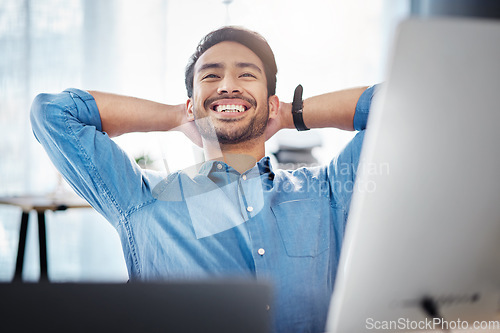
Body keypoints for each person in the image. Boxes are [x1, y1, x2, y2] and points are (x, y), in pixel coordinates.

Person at [31, 26, 376, 333]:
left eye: (246, 75)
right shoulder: (142, 200)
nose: (227, 86)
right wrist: (178, 116)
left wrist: (291, 113)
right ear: (192, 103)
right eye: (210, 77)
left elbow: (407, 103)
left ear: (271, 103)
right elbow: (54, 112)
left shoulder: (327, 192)